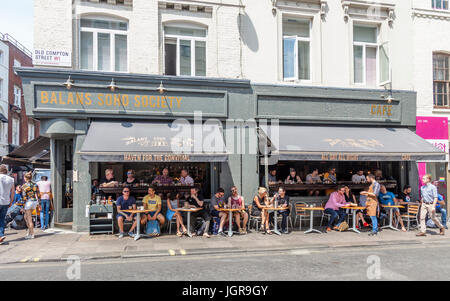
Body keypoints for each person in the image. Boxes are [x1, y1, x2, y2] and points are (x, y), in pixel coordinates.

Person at [21, 171, 40, 239]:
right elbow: (38, 194)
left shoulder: (24, 186)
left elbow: (24, 197)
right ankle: (29, 232)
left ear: (25, 178)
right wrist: (39, 203)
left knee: (29, 219)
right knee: (26, 217)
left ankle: (32, 234)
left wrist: (22, 206)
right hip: (34, 202)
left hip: (28, 202)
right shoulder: (35, 184)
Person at [0, 165, 15, 243]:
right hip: (6, 202)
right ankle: (1, 235)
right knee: (2, 219)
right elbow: (13, 192)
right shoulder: (11, 179)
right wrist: (11, 201)